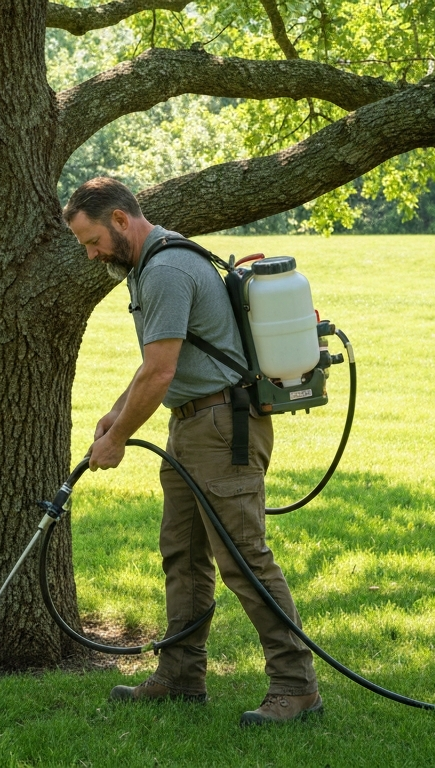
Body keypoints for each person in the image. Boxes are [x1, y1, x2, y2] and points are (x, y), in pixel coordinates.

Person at [63, 177, 321, 726]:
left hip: (221, 426)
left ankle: (297, 686)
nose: (90, 256)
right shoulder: (154, 262)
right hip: (192, 423)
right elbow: (157, 363)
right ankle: (181, 676)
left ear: (118, 220)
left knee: (244, 558)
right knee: (182, 552)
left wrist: (116, 440)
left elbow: (161, 371)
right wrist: (116, 412)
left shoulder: (165, 270)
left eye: (91, 242)